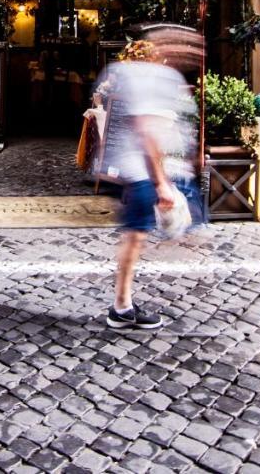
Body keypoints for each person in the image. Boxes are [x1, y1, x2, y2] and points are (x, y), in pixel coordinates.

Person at [97, 27, 204, 330]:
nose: (191, 53)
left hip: (146, 170)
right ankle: (121, 307)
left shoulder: (158, 77)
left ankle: (123, 303)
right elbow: (146, 132)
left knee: (137, 235)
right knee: (136, 235)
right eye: (187, 47)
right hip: (142, 171)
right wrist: (160, 183)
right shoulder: (148, 77)